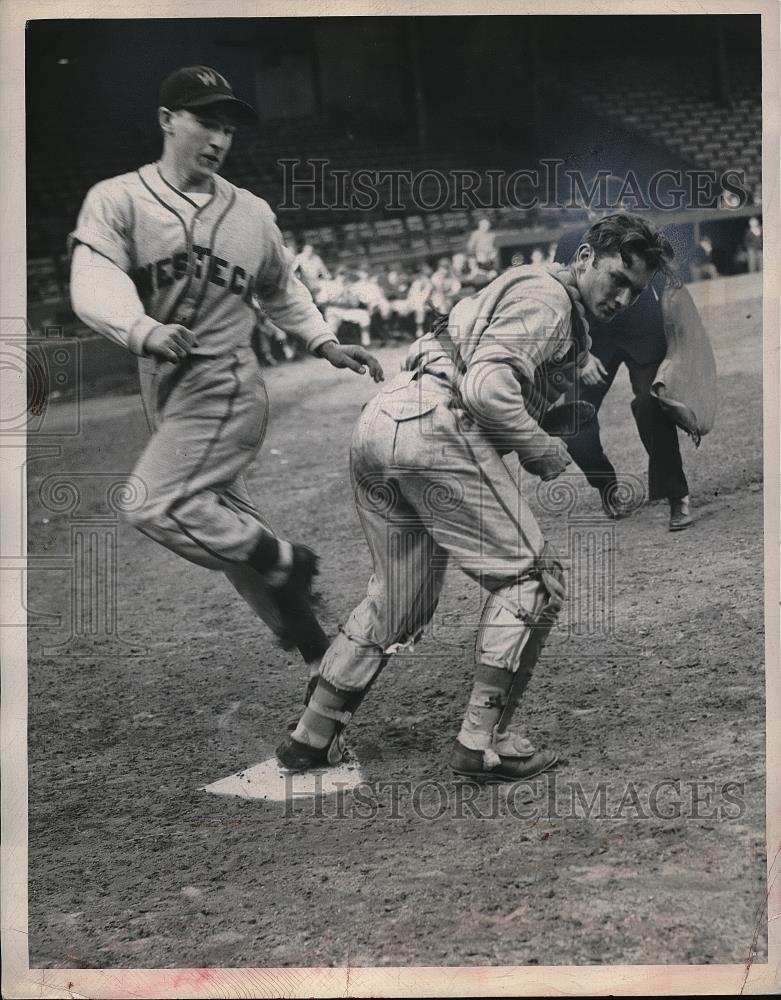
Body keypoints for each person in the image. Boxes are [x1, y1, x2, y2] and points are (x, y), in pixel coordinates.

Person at [276, 213, 674, 780]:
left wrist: (550, 405)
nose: (624, 297)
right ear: (585, 257)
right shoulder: (549, 299)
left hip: (382, 423)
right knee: (532, 578)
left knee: (398, 602)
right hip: (435, 425)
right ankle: (483, 742)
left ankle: (311, 737)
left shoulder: (531, 289)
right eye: (617, 278)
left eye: (635, 290)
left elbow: (486, 371)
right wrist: (540, 446)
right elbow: (486, 389)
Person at [69, 65, 384, 684]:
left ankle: (287, 563)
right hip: (166, 395)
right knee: (229, 533)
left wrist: (325, 341)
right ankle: (321, 655)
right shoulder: (120, 199)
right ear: (167, 120)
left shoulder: (252, 213)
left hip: (227, 385)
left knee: (151, 504)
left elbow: (282, 289)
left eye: (227, 128)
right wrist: (139, 327)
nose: (218, 138)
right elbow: (92, 277)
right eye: (205, 122)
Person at [554, 221, 696, 530]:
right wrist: (581, 355)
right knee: (574, 423)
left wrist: (677, 347)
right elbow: (563, 296)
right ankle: (607, 486)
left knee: (651, 404)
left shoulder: (644, 243)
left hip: (643, 334)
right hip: (593, 339)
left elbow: (670, 290)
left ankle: (676, 494)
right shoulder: (569, 240)